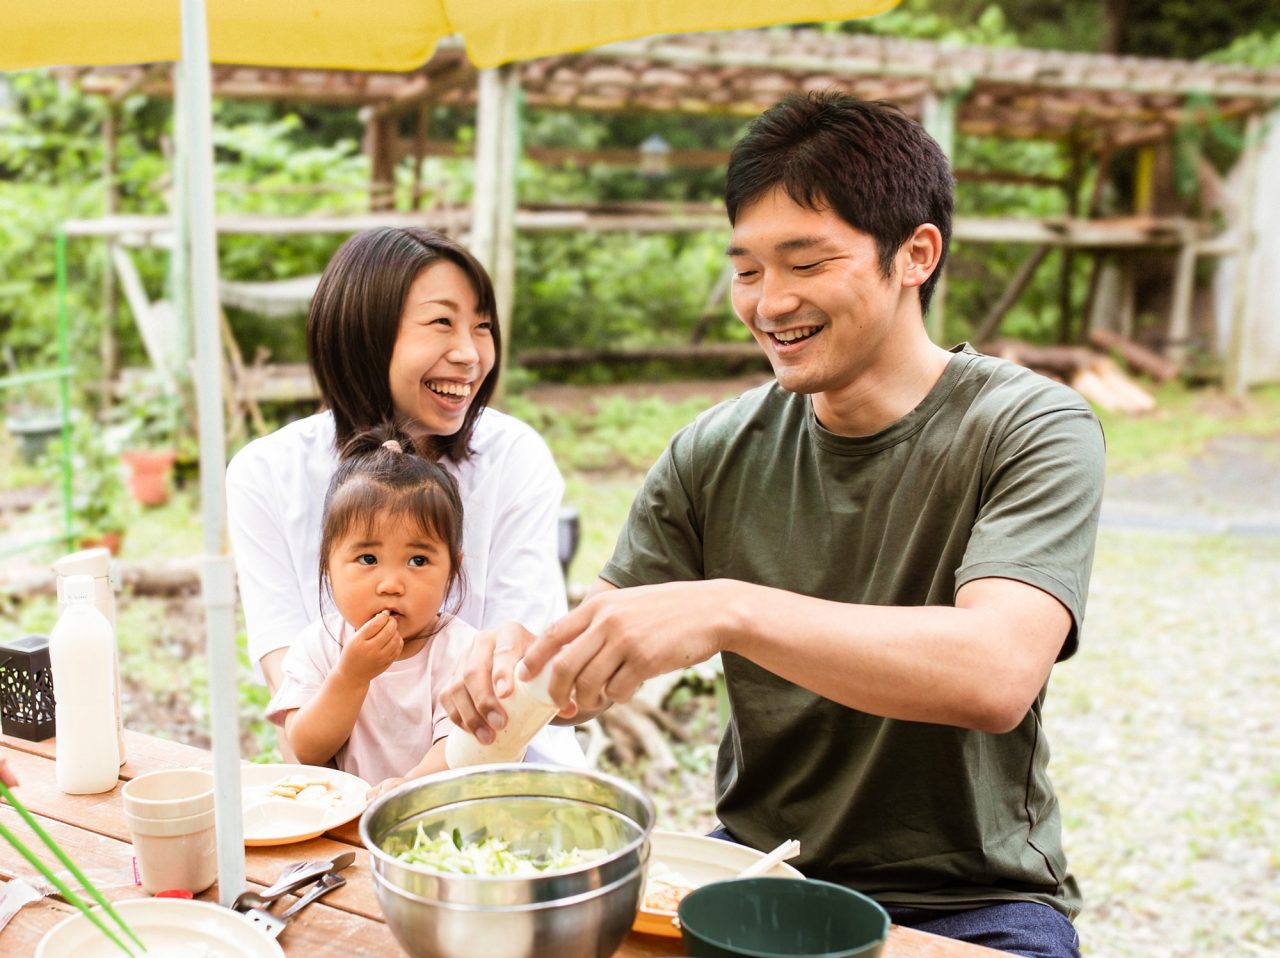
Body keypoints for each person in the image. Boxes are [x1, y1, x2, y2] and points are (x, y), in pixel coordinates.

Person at [443, 92, 1103, 958]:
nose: (768, 301)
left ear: (916, 254)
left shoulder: (1031, 427)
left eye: (804, 262)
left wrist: (730, 608)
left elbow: (994, 673)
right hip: (752, 875)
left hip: (970, 903)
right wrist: (519, 672)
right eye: (747, 268)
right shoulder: (712, 449)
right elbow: (588, 671)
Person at [226, 227, 581, 767]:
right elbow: (296, 719)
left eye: (482, 327)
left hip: (505, 782)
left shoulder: (512, 458)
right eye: (442, 322)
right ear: (363, 333)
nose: (470, 354)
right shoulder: (265, 474)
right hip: (345, 798)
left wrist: (416, 791)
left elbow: (513, 682)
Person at [267, 427, 469, 794]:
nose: (391, 583)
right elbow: (307, 750)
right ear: (328, 564)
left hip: (441, 822)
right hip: (345, 828)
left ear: (452, 570)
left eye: (418, 560)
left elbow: (461, 747)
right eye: (368, 558)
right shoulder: (318, 646)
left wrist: (408, 787)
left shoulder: (460, 650)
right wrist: (351, 676)